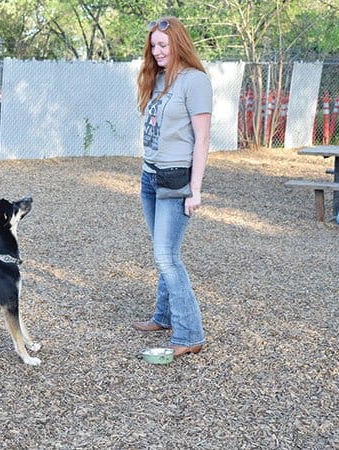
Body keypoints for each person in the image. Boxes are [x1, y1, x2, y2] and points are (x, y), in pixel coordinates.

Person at [131, 16, 212, 357]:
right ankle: (163, 316)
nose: (157, 51)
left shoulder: (195, 82)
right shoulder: (160, 78)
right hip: (150, 176)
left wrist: (195, 190)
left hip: (176, 180)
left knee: (167, 256)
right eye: (153, 46)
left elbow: (203, 138)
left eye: (163, 45)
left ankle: (190, 334)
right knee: (162, 252)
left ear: (178, 43)